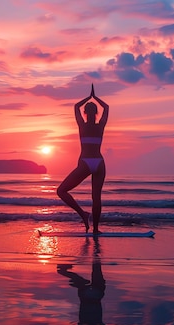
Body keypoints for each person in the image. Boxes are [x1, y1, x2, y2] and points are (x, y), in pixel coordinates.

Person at [57, 84, 109, 234]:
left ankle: (83, 214)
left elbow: (75, 106)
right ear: (97, 112)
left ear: (85, 112)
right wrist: (96, 97)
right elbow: (106, 108)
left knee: (61, 191)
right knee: (96, 198)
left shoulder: (81, 124)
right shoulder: (101, 125)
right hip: (99, 162)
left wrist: (88, 97)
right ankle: (96, 229)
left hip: (85, 162)